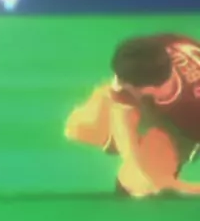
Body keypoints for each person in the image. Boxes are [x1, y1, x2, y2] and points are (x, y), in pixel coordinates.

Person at [65, 34, 200, 197]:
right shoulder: (149, 52)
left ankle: (159, 170)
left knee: (148, 182)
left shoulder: (194, 110)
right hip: (150, 101)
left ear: (148, 88)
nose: (119, 83)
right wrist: (133, 164)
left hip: (182, 128)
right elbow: (121, 112)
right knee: (80, 128)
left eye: (124, 83)